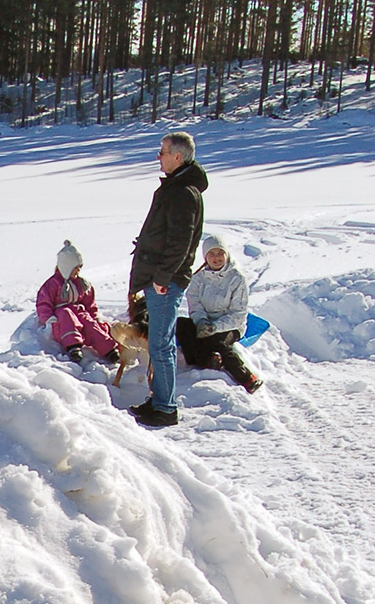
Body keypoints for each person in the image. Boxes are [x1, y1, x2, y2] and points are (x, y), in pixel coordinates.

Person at [126, 130, 209, 429]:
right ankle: (159, 398)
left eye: (162, 152)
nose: (158, 157)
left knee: (161, 344)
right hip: (159, 276)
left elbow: (181, 240)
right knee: (160, 343)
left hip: (165, 280)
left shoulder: (182, 192)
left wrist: (162, 277)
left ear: (178, 156)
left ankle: (165, 407)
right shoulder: (177, 187)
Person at [177, 234, 261, 391]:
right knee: (181, 325)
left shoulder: (237, 278)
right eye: (212, 254)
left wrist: (214, 327)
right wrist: (201, 322)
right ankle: (206, 360)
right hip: (203, 323)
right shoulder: (198, 278)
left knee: (215, 340)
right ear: (206, 257)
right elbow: (195, 304)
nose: (216, 258)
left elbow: (238, 314)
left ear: (226, 254)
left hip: (229, 327)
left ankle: (247, 378)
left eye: (220, 253)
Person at [35, 242, 119, 365]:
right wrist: (49, 319)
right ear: (66, 267)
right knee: (66, 314)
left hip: (78, 312)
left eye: (80, 267)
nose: (78, 271)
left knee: (89, 323)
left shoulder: (81, 283)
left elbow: (89, 303)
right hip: (61, 316)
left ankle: (108, 349)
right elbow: (43, 303)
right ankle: (73, 346)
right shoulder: (53, 284)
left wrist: (94, 316)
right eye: (76, 268)